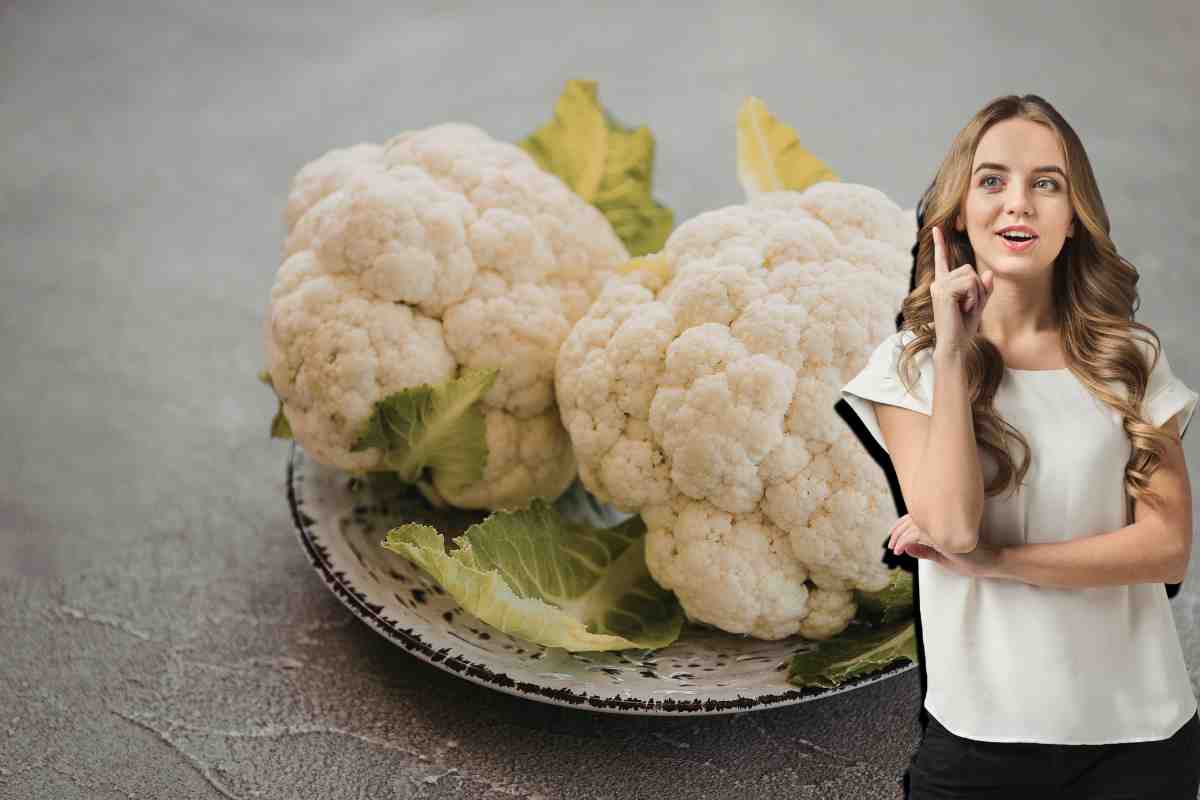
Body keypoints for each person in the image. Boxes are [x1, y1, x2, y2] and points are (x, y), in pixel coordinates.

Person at [839, 94, 1200, 799]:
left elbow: (1166, 548)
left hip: (1141, 737)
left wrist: (996, 563)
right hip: (981, 739)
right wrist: (952, 352)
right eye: (993, 180)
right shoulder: (909, 367)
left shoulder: (1130, 357)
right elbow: (951, 527)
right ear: (958, 213)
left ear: (1073, 219)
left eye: (1046, 184)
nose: (1019, 205)